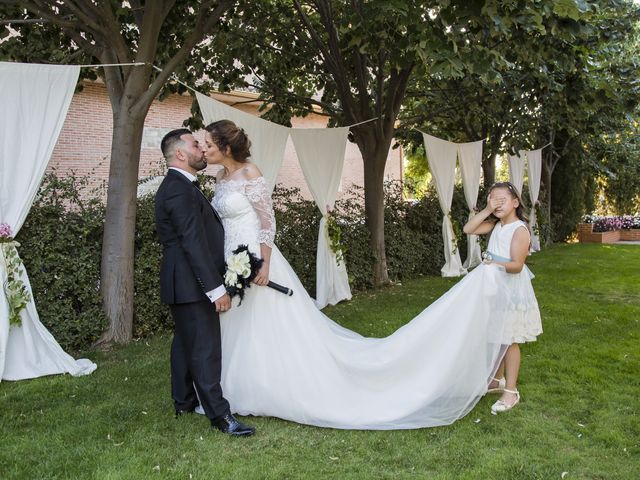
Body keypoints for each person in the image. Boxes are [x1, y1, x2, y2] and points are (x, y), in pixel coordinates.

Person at [202, 119, 511, 429]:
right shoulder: (219, 176)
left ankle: (275, 386)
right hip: (231, 259)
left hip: (256, 258)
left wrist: (264, 263)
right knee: (239, 325)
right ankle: (239, 385)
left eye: (209, 145)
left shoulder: (250, 173)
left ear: (226, 148)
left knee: (267, 324)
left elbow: (267, 223)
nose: (204, 149)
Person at [155, 128, 255, 436]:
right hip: (191, 282)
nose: (202, 149)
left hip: (182, 282)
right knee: (205, 349)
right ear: (181, 155)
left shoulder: (181, 185)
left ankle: (184, 401)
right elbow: (193, 244)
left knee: (185, 345)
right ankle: (221, 417)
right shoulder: (178, 189)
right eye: (195, 145)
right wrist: (215, 290)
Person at [463, 182, 543, 413]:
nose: (497, 203)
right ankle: (497, 380)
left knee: (510, 339)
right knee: (497, 335)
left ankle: (511, 391)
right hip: (494, 287)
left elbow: (517, 265)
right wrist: (487, 211)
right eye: (492, 199)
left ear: (515, 203)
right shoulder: (495, 225)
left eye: (502, 200)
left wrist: (491, 263)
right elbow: (469, 229)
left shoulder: (519, 229)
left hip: (511, 288)